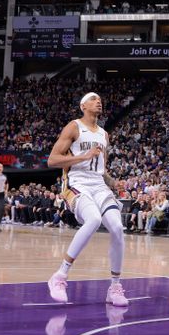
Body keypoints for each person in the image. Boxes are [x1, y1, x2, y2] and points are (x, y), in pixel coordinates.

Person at [45, 92, 128, 307]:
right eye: (93, 99)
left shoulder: (104, 134)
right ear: (83, 105)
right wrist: (82, 156)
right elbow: (52, 160)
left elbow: (102, 170)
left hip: (98, 185)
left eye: (100, 99)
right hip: (76, 183)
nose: (98, 101)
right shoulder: (73, 127)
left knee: (118, 228)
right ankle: (60, 276)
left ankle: (115, 286)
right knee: (93, 220)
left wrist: (113, 182)